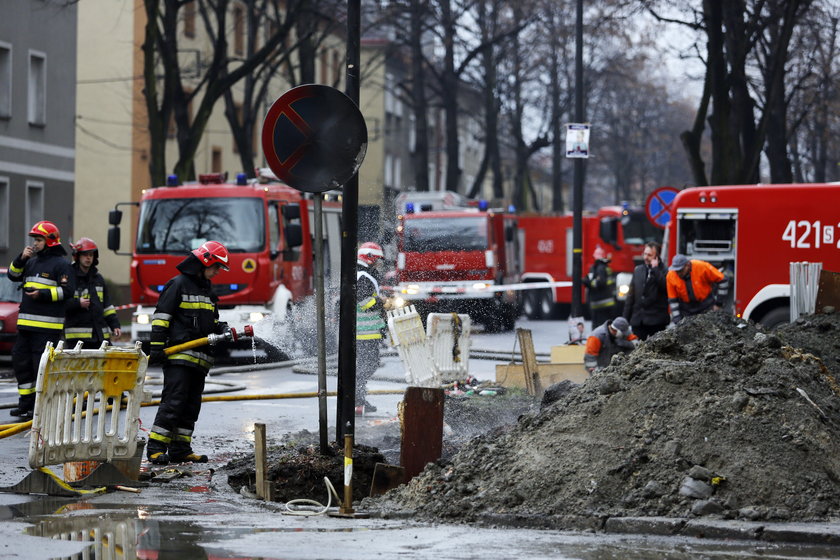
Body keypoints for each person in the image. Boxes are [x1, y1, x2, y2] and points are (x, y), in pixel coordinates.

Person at [146, 241, 231, 465]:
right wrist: (156, 348)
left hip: (200, 360)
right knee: (173, 403)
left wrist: (222, 328)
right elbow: (162, 317)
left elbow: (211, 321)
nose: (217, 273)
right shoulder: (178, 284)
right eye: (216, 267)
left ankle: (180, 449)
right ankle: (155, 448)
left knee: (191, 407)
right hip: (180, 358)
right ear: (205, 262)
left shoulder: (207, 290)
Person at [6, 221, 75, 419]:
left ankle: (42, 406)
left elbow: (68, 291)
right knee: (21, 364)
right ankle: (25, 404)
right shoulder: (31, 261)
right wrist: (20, 259)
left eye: (39, 240)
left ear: (50, 241)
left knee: (41, 369)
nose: (35, 244)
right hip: (26, 327)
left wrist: (43, 294)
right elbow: (12, 275)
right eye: (34, 240)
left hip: (47, 329)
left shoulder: (61, 265)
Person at [64, 238, 122, 348]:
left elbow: (107, 306)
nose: (88, 258)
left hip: (100, 336)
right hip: (78, 339)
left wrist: (115, 325)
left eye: (91, 255)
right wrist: (77, 303)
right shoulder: (69, 278)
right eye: (85, 254)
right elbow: (61, 304)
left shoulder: (98, 279)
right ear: (78, 256)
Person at [356, 241, 387, 415]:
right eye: (377, 259)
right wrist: (381, 302)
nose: (378, 263)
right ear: (369, 258)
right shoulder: (363, 276)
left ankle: (359, 398)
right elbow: (363, 301)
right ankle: (357, 399)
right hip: (364, 333)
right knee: (367, 366)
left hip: (366, 333)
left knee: (365, 366)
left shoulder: (364, 274)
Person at [622, 241, 669, 340]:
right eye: (645, 254)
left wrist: (655, 270)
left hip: (656, 321)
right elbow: (631, 297)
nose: (645, 257)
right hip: (638, 320)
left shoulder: (664, 271)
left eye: (649, 255)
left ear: (657, 256)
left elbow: (665, 287)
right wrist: (625, 319)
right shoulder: (638, 270)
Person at [666, 254, 729, 325]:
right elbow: (673, 300)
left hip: (706, 306)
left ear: (688, 265)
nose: (678, 273)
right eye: (676, 271)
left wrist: (719, 304)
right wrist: (677, 319)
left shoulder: (701, 267)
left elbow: (723, 280)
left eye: (681, 270)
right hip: (686, 310)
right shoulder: (671, 275)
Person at [585, 247, 618, 326]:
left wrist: (588, 282)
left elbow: (599, 283)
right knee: (608, 326)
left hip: (600, 303)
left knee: (599, 328)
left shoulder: (599, 268)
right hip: (609, 301)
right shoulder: (607, 267)